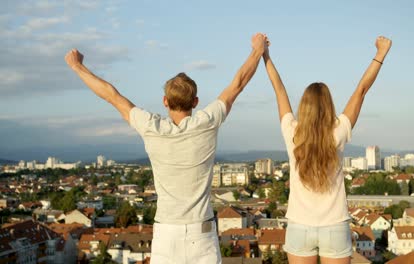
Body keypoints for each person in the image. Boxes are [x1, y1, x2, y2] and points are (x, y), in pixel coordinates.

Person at [65, 33, 268, 264]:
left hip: (165, 234)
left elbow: (112, 96)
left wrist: (77, 66)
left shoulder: (151, 127)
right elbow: (238, 84)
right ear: (195, 102)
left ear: (165, 101)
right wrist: (257, 50)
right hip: (201, 231)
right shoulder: (207, 122)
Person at [262, 36, 392, 264]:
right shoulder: (338, 131)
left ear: (303, 106)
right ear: (329, 105)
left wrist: (265, 55)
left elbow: (279, 90)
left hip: (299, 226)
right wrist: (380, 54)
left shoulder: (292, 132)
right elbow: (361, 90)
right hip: (335, 226)